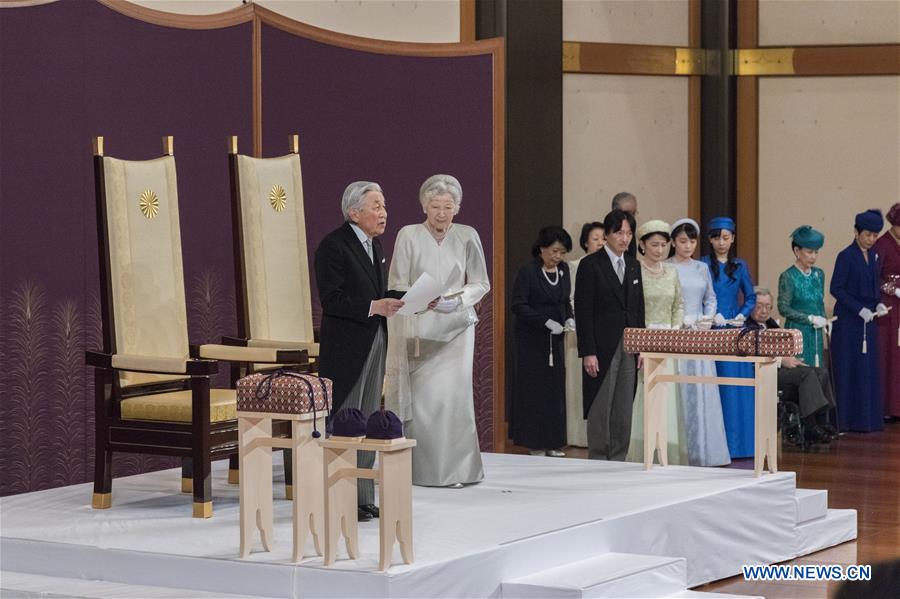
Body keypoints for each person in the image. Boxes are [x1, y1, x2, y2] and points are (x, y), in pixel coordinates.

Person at [384, 174, 489, 488]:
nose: (441, 213)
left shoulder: (468, 236)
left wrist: (456, 301)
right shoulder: (409, 235)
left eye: (448, 206)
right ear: (424, 206)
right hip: (420, 329)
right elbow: (397, 282)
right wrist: (421, 299)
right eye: (435, 206)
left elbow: (481, 282)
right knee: (426, 401)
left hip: (457, 326)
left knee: (455, 398)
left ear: (457, 208)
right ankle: (422, 470)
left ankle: (460, 469)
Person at [315, 181, 404, 521]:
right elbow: (332, 300)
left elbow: (378, 292)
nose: (384, 213)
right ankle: (339, 493)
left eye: (384, 206)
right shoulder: (333, 246)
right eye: (376, 206)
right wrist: (374, 306)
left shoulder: (374, 244)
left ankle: (363, 496)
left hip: (375, 339)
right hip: (348, 347)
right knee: (345, 419)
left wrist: (410, 297)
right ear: (354, 212)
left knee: (367, 418)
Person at [575, 209, 645, 460]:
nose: (624, 238)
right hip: (601, 346)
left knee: (624, 407)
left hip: (629, 345)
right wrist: (588, 352)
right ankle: (597, 458)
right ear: (607, 235)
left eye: (628, 233)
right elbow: (583, 312)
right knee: (601, 405)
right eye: (619, 233)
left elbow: (639, 308)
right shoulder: (590, 265)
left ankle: (619, 458)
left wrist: (642, 346)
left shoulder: (634, 265)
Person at [667, 218, 731, 466]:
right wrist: (682, 320)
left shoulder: (701, 268)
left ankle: (706, 450)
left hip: (700, 334)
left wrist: (706, 317)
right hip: (678, 333)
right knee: (679, 390)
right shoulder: (667, 267)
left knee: (702, 389)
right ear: (673, 242)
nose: (688, 246)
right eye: (683, 241)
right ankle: (679, 450)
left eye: (692, 241)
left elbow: (710, 298)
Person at [625, 220, 687, 464]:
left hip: (667, 341)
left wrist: (673, 328)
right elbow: (632, 307)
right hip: (643, 341)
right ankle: (641, 450)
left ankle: (667, 451)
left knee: (667, 394)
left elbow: (678, 304)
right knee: (644, 394)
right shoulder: (634, 271)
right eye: (654, 245)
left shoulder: (672, 272)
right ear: (641, 245)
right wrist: (643, 337)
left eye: (663, 244)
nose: (660, 250)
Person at [511, 226, 574, 457]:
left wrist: (569, 317)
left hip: (555, 340)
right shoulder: (528, 270)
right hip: (532, 340)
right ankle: (535, 443)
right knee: (534, 392)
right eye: (554, 251)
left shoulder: (564, 270)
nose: (558, 257)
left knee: (554, 391)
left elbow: (565, 300)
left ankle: (554, 442)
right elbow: (518, 305)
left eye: (562, 252)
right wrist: (545, 321)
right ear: (542, 249)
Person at [748, 287, 836, 445]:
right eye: (759, 305)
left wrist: (790, 357)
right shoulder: (746, 327)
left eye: (768, 306)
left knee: (820, 372)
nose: (763, 310)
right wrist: (782, 360)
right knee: (807, 375)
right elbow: (753, 354)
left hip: (780, 368)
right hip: (764, 372)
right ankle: (810, 426)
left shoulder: (771, 323)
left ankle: (822, 422)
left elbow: (782, 347)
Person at [701, 216, 757, 458]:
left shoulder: (740, 266)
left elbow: (751, 296)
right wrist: (710, 315)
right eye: (717, 238)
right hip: (711, 330)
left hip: (734, 330)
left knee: (737, 388)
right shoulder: (702, 265)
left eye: (726, 238)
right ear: (710, 240)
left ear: (733, 238)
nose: (721, 243)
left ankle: (741, 445)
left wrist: (743, 315)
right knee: (717, 386)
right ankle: (717, 445)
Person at [830, 209, 887, 432]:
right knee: (848, 368)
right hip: (848, 322)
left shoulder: (874, 256)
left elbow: (874, 286)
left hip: (868, 322)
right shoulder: (845, 256)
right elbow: (837, 288)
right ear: (856, 232)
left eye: (875, 235)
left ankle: (867, 420)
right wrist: (858, 308)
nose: (871, 239)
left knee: (867, 369)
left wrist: (878, 304)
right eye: (868, 235)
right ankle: (845, 420)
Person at [565, 222, 605, 447]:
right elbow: (570, 297)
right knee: (577, 385)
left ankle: (597, 435)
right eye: (595, 238)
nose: (600, 242)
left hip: (601, 332)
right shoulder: (575, 265)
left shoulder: (609, 266)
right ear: (585, 242)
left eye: (603, 238)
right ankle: (577, 436)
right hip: (577, 331)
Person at [777, 226, 829, 368]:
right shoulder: (788, 276)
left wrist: (824, 320)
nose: (813, 256)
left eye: (816, 252)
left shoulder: (819, 274)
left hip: (816, 332)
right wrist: (809, 318)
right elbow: (783, 308)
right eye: (809, 252)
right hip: (797, 332)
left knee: (818, 370)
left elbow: (820, 302)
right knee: (802, 371)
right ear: (797, 251)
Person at [874, 203, 900, 420]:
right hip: (889, 307)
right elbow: (875, 277)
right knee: (890, 352)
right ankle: (888, 408)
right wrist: (894, 289)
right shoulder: (882, 244)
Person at [611, 191, 638, 257]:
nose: (631, 217)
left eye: (633, 213)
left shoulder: (631, 231)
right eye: (626, 213)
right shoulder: (606, 232)